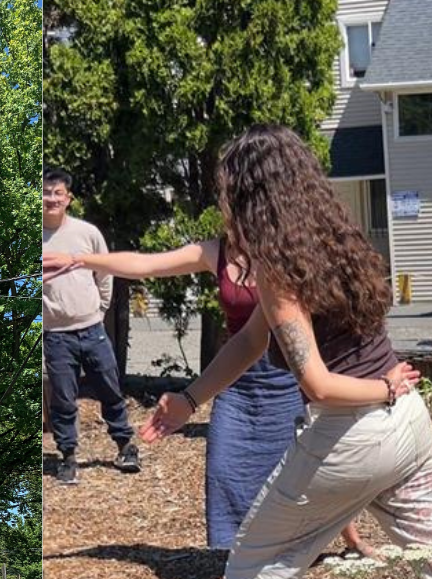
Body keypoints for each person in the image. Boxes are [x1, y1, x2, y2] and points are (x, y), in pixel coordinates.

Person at [136, 124, 432, 579]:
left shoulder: (279, 271)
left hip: (356, 431)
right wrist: (188, 400)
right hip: (407, 428)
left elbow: (319, 384)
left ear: (250, 196)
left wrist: (384, 388)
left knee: (257, 556)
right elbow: (252, 341)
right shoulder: (332, 243)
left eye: (228, 191)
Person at [44, 240, 372, 559]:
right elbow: (146, 264)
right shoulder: (214, 251)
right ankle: (238, 555)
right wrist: (80, 261)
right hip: (235, 374)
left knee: (308, 463)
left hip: (289, 373)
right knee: (225, 469)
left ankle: (346, 536)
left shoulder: (284, 248)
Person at [42, 168, 139, 485]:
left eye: (58, 193)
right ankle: (68, 457)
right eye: (46, 192)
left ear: (68, 198)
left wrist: (98, 309)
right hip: (56, 336)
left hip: (92, 329)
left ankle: (125, 446)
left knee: (110, 390)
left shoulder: (87, 233)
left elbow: (105, 272)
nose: (51, 199)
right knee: (64, 399)